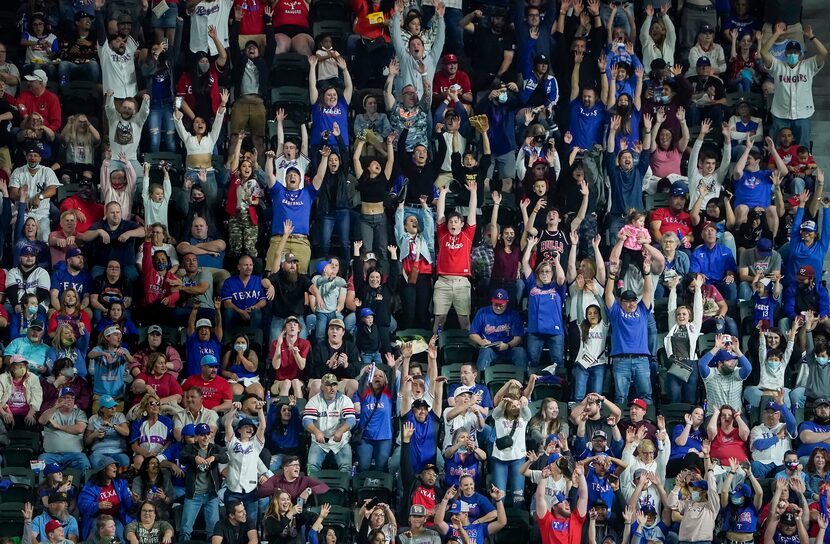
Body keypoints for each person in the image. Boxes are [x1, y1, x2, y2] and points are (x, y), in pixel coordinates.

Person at [760, 24, 828, 147]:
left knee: (803, 149)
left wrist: (811, 37)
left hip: (803, 114)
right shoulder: (778, 66)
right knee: (776, 148)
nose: (793, 54)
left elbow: (823, 52)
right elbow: (763, 52)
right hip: (781, 114)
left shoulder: (808, 65)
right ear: (785, 53)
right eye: (790, 52)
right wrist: (776, 34)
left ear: (800, 54)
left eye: (795, 52)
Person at [433, 181, 477, 333]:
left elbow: (472, 213)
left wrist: (473, 192)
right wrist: (443, 193)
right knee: (439, 319)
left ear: (461, 224)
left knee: (464, 320)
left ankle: (470, 350)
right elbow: (440, 214)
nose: (452, 223)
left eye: (456, 222)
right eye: (450, 221)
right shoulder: (442, 234)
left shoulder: (467, 235)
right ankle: (435, 350)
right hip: (443, 282)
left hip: (462, 282)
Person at [178, 422, 227, 541]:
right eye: (202, 434)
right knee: (185, 529)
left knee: (214, 529)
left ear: (210, 435)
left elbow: (225, 457)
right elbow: (182, 457)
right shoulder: (190, 448)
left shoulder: (214, 448)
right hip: (194, 494)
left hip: (211, 494)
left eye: (207, 434)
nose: (205, 437)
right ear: (197, 436)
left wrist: (214, 457)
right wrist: (194, 458)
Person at [303, 373, 356, 474]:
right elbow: (306, 421)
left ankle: (343, 489)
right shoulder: (314, 401)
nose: (332, 388)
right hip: (319, 442)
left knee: (346, 467)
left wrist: (341, 431)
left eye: (334, 385)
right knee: (312, 466)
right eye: (328, 385)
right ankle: (315, 489)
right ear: (322, 387)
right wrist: (316, 432)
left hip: (341, 441)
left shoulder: (345, 400)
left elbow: (351, 420)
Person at [223, 403, 266, 524]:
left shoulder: (255, 445)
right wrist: (233, 409)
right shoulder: (232, 443)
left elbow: (262, 426)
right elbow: (227, 424)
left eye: (251, 427)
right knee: (231, 522)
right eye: (246, 426)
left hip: (251, 491)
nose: (250, 428)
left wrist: (260, 410)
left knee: (251, 522)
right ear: (240, 430)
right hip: (233, 490)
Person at [468, 289, 527, 371]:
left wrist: (507, 345)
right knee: (485, 352)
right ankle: (479, 379)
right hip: (490, 347)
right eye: (496, 304)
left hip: (508, 347)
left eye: (501, 305)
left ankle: (523, 378)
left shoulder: (513, 315)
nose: (498, 308)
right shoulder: (483, 312)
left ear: (506, 302)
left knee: (520, 352)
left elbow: (518, 338)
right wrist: (481, 342)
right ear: (492, 301)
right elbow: (473, 333)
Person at [78, 457, 135, 540]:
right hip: (97, 518)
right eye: (112, 465)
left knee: (119, 530)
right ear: (104, 469)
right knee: (98, 528)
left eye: (115, 466)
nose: (115, 467)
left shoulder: (120, 483)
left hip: (115, 517)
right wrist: (97, 505)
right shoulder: (91, 486)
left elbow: (128, 505)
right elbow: (82, 505)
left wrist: (133, 500)